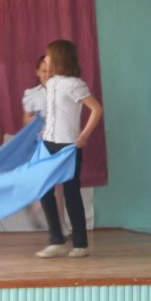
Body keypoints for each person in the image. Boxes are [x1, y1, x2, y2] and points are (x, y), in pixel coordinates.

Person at [36, 40, 103, 258]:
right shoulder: (52, 83)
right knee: (44, 190)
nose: (45, 59)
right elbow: (54, 113)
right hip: (49, 144)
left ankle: (81, 244)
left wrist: (83, 136)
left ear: (58, 57)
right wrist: (46, 130)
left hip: (68, 146)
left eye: (48, 55)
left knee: (71, 192)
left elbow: (96, 109)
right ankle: (57, 239)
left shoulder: (75, 84)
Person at [22, 55, 71, 232]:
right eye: (43, 71)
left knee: (58, 184)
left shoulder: (63, 90)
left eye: (50, 71)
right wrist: (41, 122)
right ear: (37, 72)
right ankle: (45, 213)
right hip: (42, 143)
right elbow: (26, 119)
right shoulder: (32, 94)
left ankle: (54, 219)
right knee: (52, 182)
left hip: (60, 140)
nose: (47, 74)